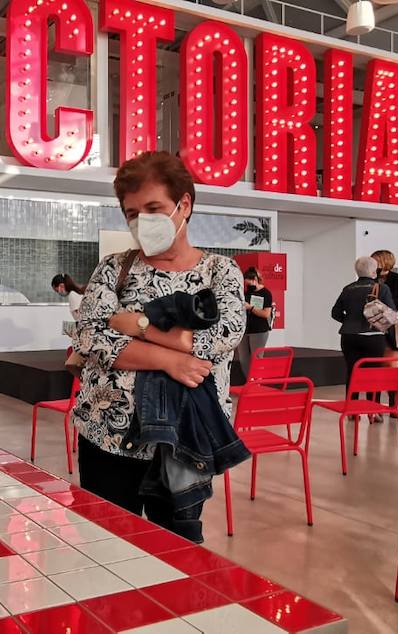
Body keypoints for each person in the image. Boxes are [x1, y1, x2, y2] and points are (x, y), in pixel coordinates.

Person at [72, 151, 245, 541]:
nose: (141, 222)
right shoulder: (114, 268)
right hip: (108, 435)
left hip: (185, 441)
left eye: (153, 208)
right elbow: (90, 336)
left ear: (184, 204)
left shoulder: (219, 271)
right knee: (107, 547)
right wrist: (171, 360)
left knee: (177, 551)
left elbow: (218, 338)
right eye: (132, 213)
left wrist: (137, 324)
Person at [332, 256, 398, 422]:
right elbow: (391, 312)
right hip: (373, 337)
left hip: (349, 337)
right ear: (374, 271)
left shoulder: (347, 289)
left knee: (352, 371)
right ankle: (373, 411)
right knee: (372, 374)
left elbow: (335, 312)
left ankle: (352, 411)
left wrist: (349, 321)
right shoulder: (381, 288)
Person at [371, 250, 398, 350]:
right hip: (374, 323)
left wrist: (385, 300)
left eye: (375, 260)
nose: (372, 263)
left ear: (385, 261)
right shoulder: (371, 279)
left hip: (393, 322)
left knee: (391, 355)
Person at [236, 267, 275, 377]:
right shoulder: (248, 292)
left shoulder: (266, 293)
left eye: (249, 283)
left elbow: (266, 314)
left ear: (255, 280)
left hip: (259, 330)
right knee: (244, 358)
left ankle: (257, 381)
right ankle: (249, 380)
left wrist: (251, 308)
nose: (247, 286)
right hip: (245, 329)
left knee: (256, 357)